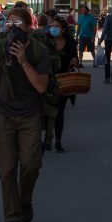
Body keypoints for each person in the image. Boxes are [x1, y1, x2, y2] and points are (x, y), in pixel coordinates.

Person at [0, 6, 51, 222]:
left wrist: (23, 61)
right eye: (9, 23)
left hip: (30, 115)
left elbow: (41, 86)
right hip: (3, 115)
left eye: (18, 24)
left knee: (30, 165)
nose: (13, 28)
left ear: (29, 26)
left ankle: (25, 199)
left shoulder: (38, 51)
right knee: (6, 170)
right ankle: (12, 216)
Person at [35, 16, 76, 152]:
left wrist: (74, 60)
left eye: (56, 26)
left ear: (63, 29)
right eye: (52, 25)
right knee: (46, 111)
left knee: (59, 112)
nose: (53, 28)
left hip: (63, 81)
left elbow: (74, 56)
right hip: (46, 80)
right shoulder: (46, 40)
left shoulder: (70, 42)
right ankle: (47, 138)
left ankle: (58, 140)